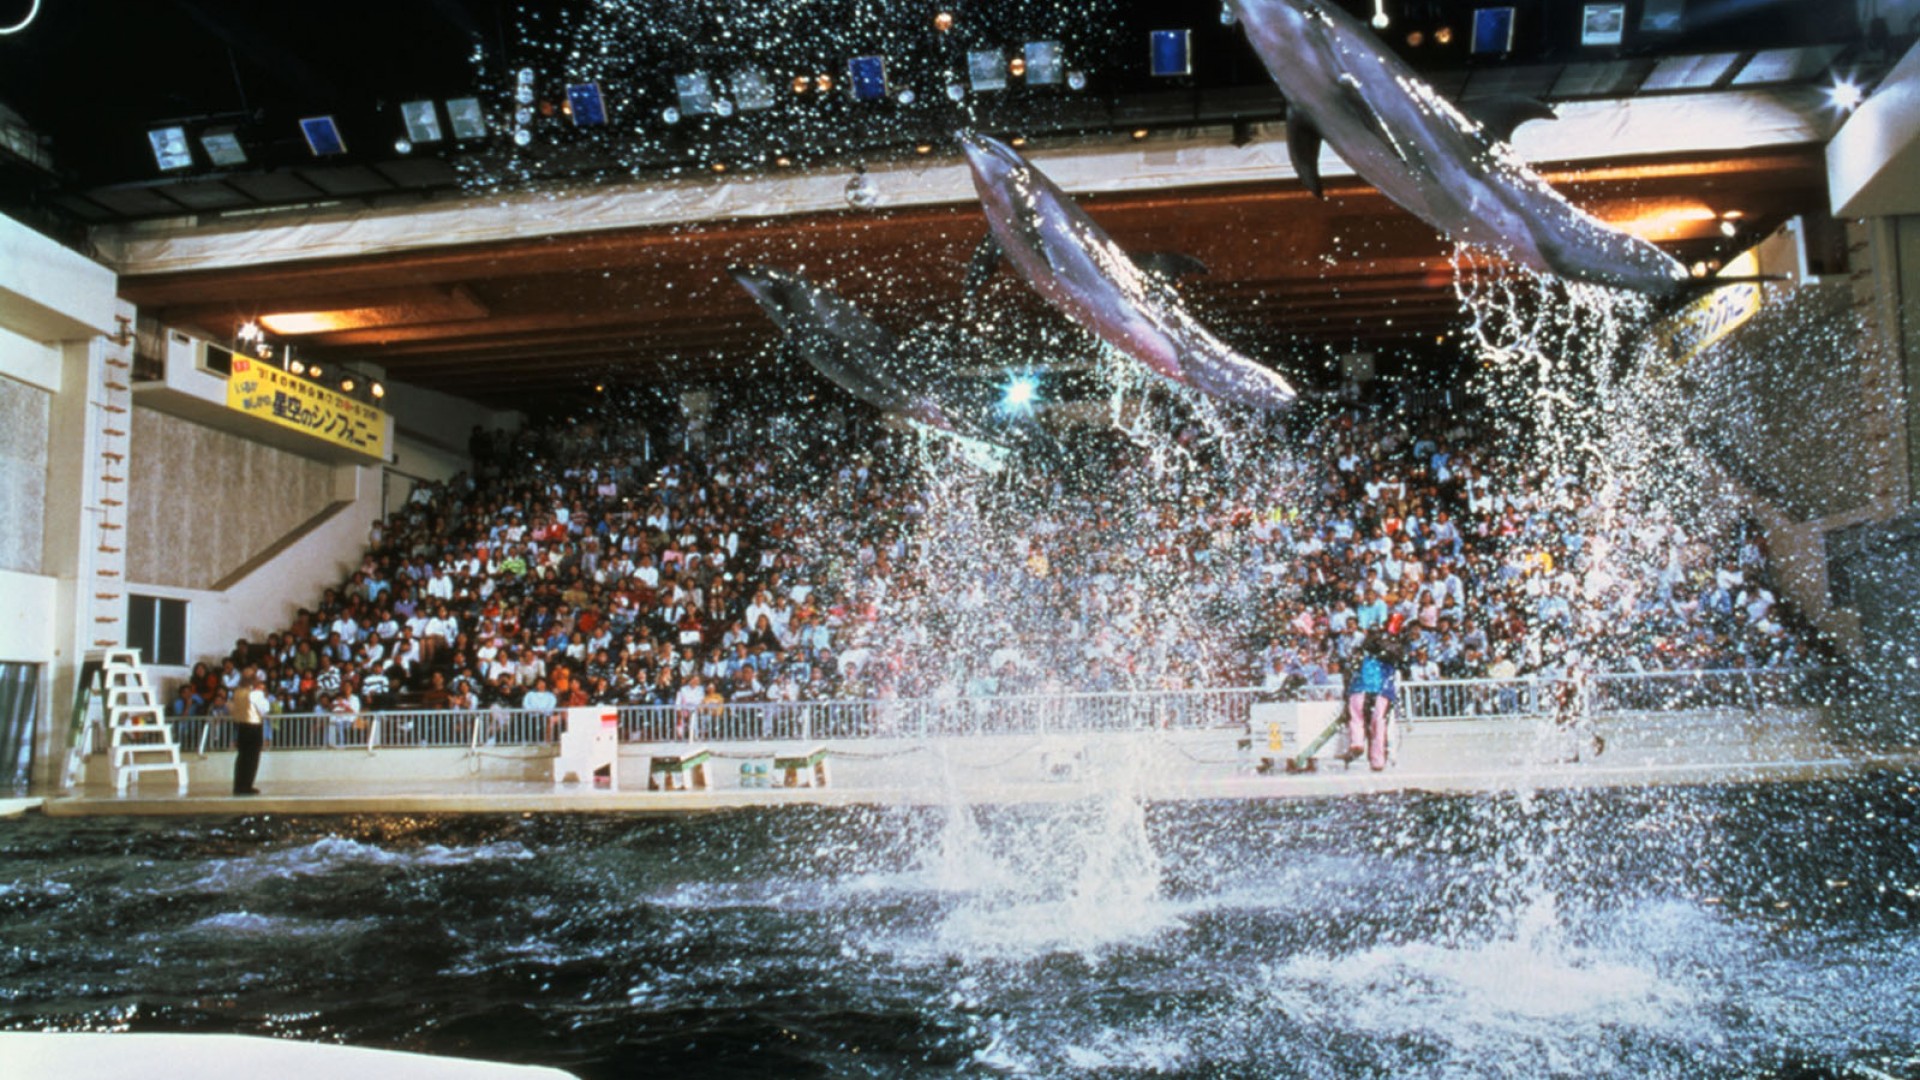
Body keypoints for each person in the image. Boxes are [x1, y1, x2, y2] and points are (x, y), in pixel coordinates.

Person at [1343, 632, 1398, 772]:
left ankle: (1357, 742)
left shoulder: (1361, 658)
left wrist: (1347, 692)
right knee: (1379, 727)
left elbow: (1349, 673)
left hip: (1359, 690)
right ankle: (1378, 761)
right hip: (1381, 693)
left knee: (1356, 719)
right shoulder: (1389, 659)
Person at [234, 671, 270, 795]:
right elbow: (265, 709)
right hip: (253, 727)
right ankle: (247, 786)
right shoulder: (255, 694)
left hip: (241, 726)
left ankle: (238, 786)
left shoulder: (237, 692)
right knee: (252, 758)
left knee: (242, 757)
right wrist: (264, 695)